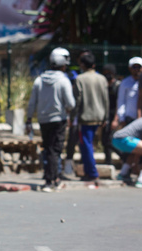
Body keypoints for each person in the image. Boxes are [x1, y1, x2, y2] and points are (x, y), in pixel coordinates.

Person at [27, 47, 75, 192]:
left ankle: (51, 178)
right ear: (63, 64)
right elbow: (71, 103)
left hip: (43, 120)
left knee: (48, 149)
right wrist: (66, 109)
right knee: (55, 150)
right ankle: (52, 180)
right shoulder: (63, 80)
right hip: (59, 119)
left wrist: (29, 119)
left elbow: (32, 103)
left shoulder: (39, 80)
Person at [73, 51, 109, 182]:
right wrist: (105, 117)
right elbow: (106, 99)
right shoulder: (102, 79)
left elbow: (77, 100)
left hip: (86, 117)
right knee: (90, 144)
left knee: (86, 145)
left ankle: (92, 173)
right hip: (99, 116)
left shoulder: (80, 79)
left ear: (82, 64)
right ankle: (89, 171)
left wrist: (72, 117)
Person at [102, 64, 121, 165]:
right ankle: (108, 162)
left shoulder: (117, 86)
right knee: (104, 141)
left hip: (114, 115)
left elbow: (119, 103)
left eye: (109, 73)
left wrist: (116, 119)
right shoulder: (103, 85)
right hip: (105, 116)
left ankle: (124, 157)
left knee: (110, 141)